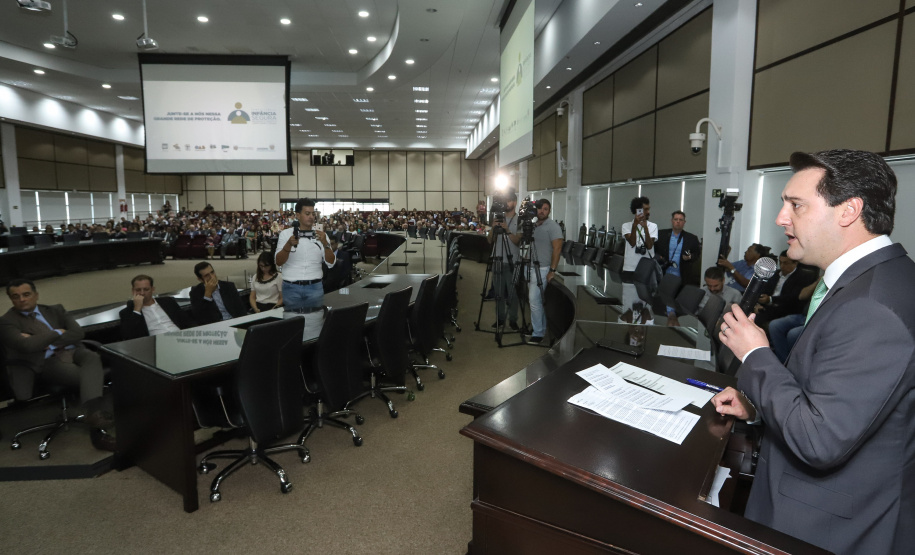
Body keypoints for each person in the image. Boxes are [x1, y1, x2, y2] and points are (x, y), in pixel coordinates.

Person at [712, 149, 915, 554]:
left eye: (796, 205)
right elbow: (833, 397)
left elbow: (821, 440)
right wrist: (758, 408)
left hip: (828, 529)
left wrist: (755, 355)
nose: (780, 218)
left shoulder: (872, 306)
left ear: (848, 211)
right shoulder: (868, 281)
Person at [0, 279, 114, 451]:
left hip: (74, 351)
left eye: (26, 294)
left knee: (91, 357)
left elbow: (77, 333)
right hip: (46, 361)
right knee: (84, 375)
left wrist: (39, 340)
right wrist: (57, 332)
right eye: (16, 297)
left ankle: (93, 414)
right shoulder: (7, 321)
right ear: (11, 299)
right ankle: (96, 421)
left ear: (36, 295)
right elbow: (26, 346)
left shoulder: (56, 309)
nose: (22, 299)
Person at [275, 198, 335, 311]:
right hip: (291, 287)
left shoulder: (321, 235)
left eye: (313, 213)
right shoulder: (285, 234)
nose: (311, 216)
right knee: (292, 324)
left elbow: (331, 263)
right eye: (307, 213)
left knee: (315, 323)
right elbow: (278, 262)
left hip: (315, 287)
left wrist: (326, 244)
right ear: (298, 215)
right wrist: (288, 245)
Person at [527, 199, 563, 344]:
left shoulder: (553, 226)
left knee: (534, 300)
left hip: (542, 268)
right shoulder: (535, 225)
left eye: (546, 209)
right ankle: (539, 328)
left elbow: (557, 248)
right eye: (540, 208)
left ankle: (538, 333)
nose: (542, 211)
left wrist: (552, 270)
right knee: (536, 301)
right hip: (531, 266)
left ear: (549, 211)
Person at [655, 210, 701, 324]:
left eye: (681, 220)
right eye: (676, 219)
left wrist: (690, 257)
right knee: (664, 296)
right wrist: (659, 257)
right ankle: (670, 310)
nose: (678, 222)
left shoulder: (691, 238)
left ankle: (672, 310)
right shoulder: (661, 234)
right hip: (663, 272)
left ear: (684, 222)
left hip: (681, 274)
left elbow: (696, 254)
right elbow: (652, 251)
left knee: (676, 298)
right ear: (672, 221)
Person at [752, 250, 818, 329]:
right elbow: (763, 290)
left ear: (795, 263)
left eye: (785, 263)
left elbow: (793, 297)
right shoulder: (775, 274)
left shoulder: (803, 276)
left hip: (785, 308)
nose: (782, 266)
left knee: (757, 318)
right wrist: (757, 304)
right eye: (780, 262)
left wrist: (770, 299)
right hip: (768, 306)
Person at [119, 274, 194, 340]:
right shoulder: (127, 312)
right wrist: (137, 309)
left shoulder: (168, 301)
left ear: (152, 289)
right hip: (158, 343)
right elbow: (128, 336)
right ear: (133, 291)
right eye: (138, 290)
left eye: (146, 289)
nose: (142, 293)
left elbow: (186, 321)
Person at [487, 192, 520, 331]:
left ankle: (513, 320)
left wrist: (507, 229)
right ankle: (500, 319)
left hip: (512, 262)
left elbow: (517, 241)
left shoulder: (520, 220)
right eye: (504, 200)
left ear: (514, 202)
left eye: (508, 200)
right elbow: (490, 241)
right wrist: (493, 228)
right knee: (498, 294)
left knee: (512, 293)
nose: (506, 203)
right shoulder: (498, 218)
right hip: (497, 260)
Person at [621, 196, 657, 274]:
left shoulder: (653, 226)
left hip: (646, 268)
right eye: (645, 209)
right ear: (637, 210)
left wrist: (645, 228)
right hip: (630, 268)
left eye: (649, 209)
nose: (648, 212)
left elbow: (650, 246)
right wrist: (634, 225)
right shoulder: (626, 226)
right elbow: (632, 243)